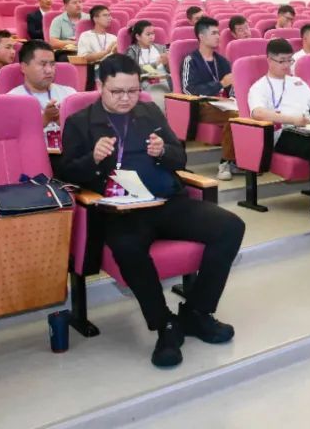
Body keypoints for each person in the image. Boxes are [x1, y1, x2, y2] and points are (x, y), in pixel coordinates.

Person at [57, 54, 245, 369]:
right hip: (122, 211)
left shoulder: (149, 111)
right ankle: (164, 324)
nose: (126, 98)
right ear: (100, 86)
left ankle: (197, 312)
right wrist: (93, 159)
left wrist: (162, 152)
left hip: (166, 202)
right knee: (127, 246)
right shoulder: (80, 122)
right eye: (117, 92)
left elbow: (180, 158)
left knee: (231, 226)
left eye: (133, 91)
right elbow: (66, 174)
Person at [248, 39, 310, 227]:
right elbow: (257, 113)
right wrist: (292, 119)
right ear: (269, 60)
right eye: (282, 61)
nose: (287, 65)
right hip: (283, 133)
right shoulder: (260, 86)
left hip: (307, 129)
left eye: (290, 60)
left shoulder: (297, 82)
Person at [180, 18, 239, 181]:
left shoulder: (222, 61)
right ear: (201, 36)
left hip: (224, 105)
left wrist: (232, 97)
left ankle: (236, 160)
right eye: (214, 33)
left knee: (243, 114)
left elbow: (232, 86)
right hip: (201, 106)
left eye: (218, 33)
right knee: (235, 117)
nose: (218, 36)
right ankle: (225, 163)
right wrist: (219, 84)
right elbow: (188, 90)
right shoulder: (191, 60)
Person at [9, 41, 77, 146]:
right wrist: (45, 120)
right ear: (23, 67)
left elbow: (84, 132)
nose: (49, 70)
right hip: (31, 154)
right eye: (43, 64)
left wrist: (62, 120)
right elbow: (12, 141)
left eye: (52, 64)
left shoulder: (70, 95)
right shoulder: (12, 100)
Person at [125, 20, 170, 93]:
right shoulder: (132, 51)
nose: (152, 37)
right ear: (138, 37)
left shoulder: (161, 48)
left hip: (164, 81)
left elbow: (170, 71)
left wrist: (169, 62)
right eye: (148, 34)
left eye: (153, 34)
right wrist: (156, 64)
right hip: (144, 84)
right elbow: (132, 70)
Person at [77, 5, 118, 71]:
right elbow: (83, 58)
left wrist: (116, 52)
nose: (109, 18)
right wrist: (106, 52)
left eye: (109, 15)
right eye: (105, 15)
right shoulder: (86, 35)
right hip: (93, 70)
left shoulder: (113, 37)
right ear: (95, 18)